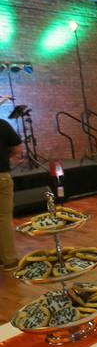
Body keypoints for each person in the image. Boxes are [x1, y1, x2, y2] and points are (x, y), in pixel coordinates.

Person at [0, 115, 22, 271]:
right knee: (3, 218)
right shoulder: (2, 124)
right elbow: (17, 148)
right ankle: (8, 260)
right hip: (1, 176)